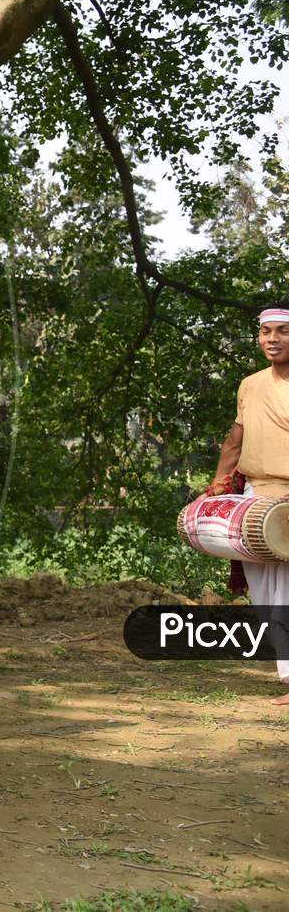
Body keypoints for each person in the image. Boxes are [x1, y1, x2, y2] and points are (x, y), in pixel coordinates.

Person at [203, 301, 289, 705]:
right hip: (255, 500)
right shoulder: (250, 384)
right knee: (264, 592)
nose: (272, 340)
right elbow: (235, 441)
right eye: (266, 332)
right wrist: (220, 485)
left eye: (282, 331)